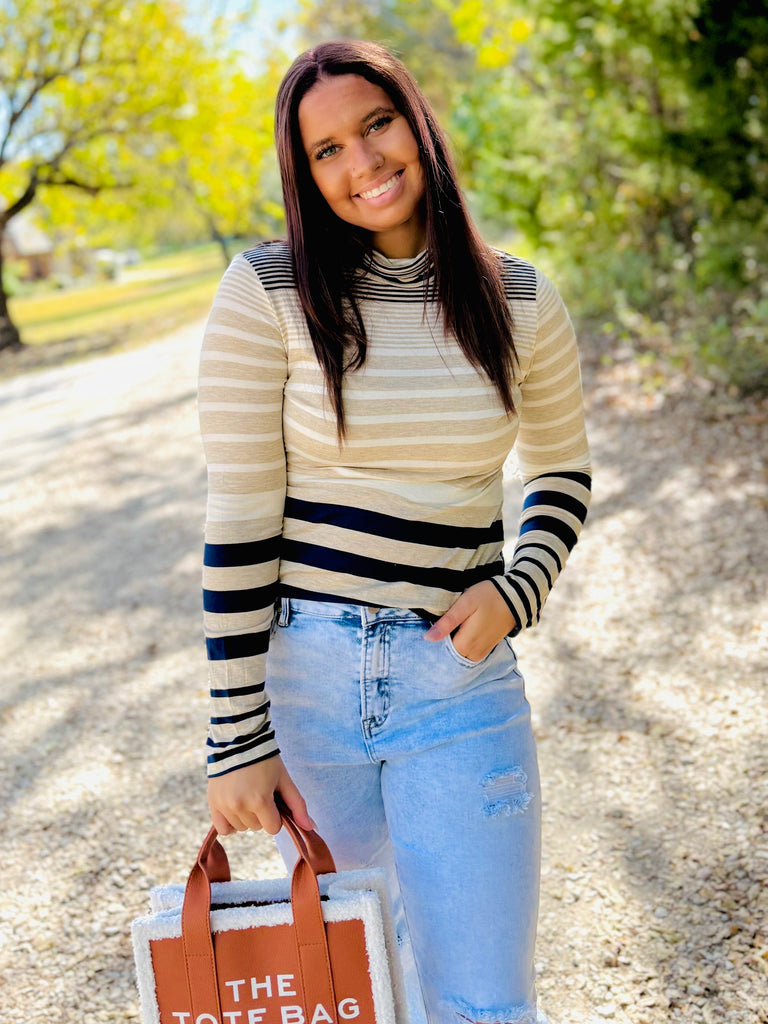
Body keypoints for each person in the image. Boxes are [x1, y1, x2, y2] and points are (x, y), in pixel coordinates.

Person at [198, 39, 591, 1024]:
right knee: (363, 993)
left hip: (458, 681)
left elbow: (560, 470)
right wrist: (237, 734)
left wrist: (519, 590)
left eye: (377, 124)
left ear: (419, 122)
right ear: (304, 174)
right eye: (326, 150)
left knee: (486, 1002)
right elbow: (239, 518)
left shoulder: (521, 300)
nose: (363, 161)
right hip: (308, 687)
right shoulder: (267, 292)